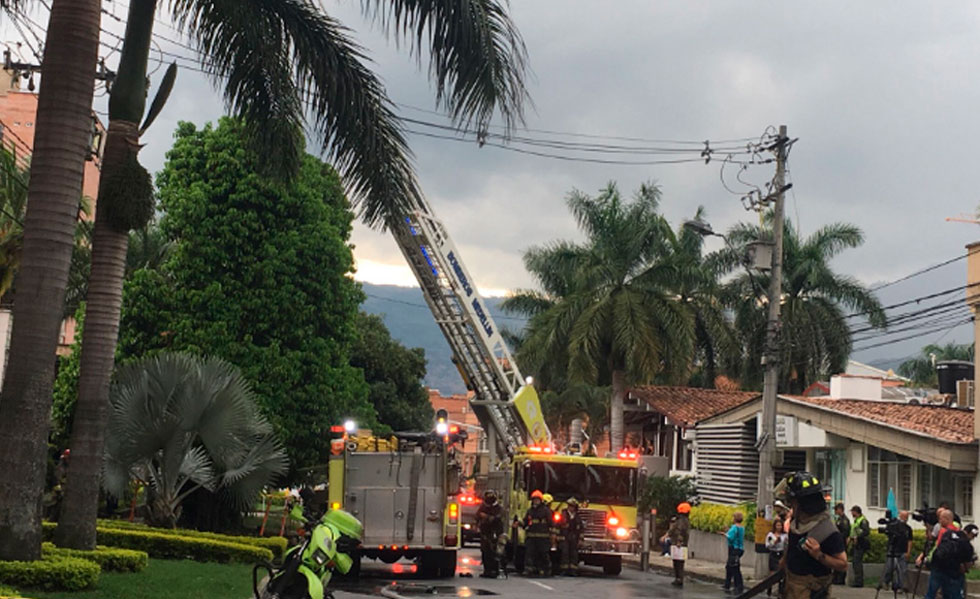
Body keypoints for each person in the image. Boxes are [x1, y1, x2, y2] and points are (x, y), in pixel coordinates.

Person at [775, 471, 848, 599]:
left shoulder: (827, 530)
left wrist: (818, 554)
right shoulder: (796, 522)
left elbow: (843, 565)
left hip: (812, 591)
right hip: (791, 588)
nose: (791, 505)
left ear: (802, 503)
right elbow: (792, 547)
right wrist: (783, 562)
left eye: (793, 502)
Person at [918, 508, 973, 599]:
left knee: (931, 593)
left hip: (939, 567)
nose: (939, 521)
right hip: (954, 568)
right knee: (953, 594)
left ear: (947, 519)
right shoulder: (958, 530)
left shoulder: (944, 531)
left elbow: (938, 547)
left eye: (941, 519)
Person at [516, 490, 553, 577]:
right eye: (534, 500)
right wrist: (520, 523)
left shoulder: (546, 511)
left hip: (543, 537)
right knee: (529, 553)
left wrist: (552, 535)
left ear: (540, 501)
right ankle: (529, 569)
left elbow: (551, 523)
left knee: (543, 554)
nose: (535, 501)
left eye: (537, 500)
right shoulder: (530, 511)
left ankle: (546, 569)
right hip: (531, 537)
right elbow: (526, 522)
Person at [880, 510, 913, 594]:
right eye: (903, 516)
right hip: (893, 550)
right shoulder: (894, 525)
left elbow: (910, 540)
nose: (905, 519)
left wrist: (908, 552)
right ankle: (886, 582)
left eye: (906, 517)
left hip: (903, 551)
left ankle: (900, 586)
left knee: (902, 570)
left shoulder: (908, 529)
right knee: (889, 568)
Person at [476, 490, 504, 578]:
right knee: (485, 552)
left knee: (495, 552)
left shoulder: (498, 508)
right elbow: (477, 516)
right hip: (485, 533)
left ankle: (495, 570)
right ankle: (487, 570)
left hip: (495, 532)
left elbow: (497, 518)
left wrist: (487, 517)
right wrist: (481, 517)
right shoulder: (483, 506)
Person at [665, 502, 691, 587]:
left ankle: (679, 578)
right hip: (680, 543)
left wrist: (679, 541)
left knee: (678, 562)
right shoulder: (684, 520)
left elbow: (680, 531)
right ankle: (678, 578)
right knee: (679, 561)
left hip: (678, 544)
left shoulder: (681, 521)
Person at [558, 497, 584, 576]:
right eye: (569, 506)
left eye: (572, 506)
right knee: (565, 553)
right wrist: (558, 536)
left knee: (574, 554)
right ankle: (564, 570)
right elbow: (557, 526)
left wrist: (580, 539)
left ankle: (573, 570)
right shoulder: (563, 515)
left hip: (574, 538)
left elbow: (581, 529)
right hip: (565, 537)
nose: (571, 508)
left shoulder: (577, 517)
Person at [723, 511, 746, 594]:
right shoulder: (741, 528)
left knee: (734, 567)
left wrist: (725, 534)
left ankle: (738, 586)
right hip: (740, 549)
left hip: (733, 548)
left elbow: (731, 537)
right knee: (730, 566)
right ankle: (727, 584)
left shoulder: (734, 527)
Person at [848, 505, 870, 587]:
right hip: (856, 544)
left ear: (856, 512)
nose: (851, 513)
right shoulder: (856, 520)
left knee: (857, 562)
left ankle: (859, 581)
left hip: (861, 544)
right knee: (855, 562)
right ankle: (857, 580)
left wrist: (857, 537)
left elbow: (866, 532)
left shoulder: (863, 521)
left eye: (852, 512)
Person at [765, 518, 787, 597]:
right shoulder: (770, 535)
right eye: (777, 525)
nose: (779, 527)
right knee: (772, 573)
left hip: (781, 554)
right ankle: (769, 590)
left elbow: (786, 545)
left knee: (781, 573)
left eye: (780, 525)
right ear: (774, 526)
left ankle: (780, 591)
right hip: (773, 554)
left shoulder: (784, 535)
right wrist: (774, 542)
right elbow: (767, 545)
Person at [831, 503, 850, 585]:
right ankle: (836, 578)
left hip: (842, 543)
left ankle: (841, 579)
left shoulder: (845, 520)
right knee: (836, 560)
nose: (835, 511)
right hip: (837, 543)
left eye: (836, 509)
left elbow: (845, 532)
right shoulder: (839, 519)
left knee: (841, 560)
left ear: (840, 509)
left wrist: (839, 537)